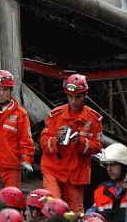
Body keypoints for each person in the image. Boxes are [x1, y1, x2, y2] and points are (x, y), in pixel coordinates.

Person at [40, 74, 103, 212]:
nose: (74, 101)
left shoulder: (94, 119)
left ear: (85, 95)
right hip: (53, 170)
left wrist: (81, 142)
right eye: (70, 97)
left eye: (78, 97)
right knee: (53, 206)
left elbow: (98, 146)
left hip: (76, 175)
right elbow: (43, 142)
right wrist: (57, 141)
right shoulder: (55, 115)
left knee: (74, 214)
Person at [93, 143, 127, 222]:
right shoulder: (101, 191)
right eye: (107, 165)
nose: (109, 169)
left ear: (124, 166)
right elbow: (92, 214)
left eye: (113, 165)